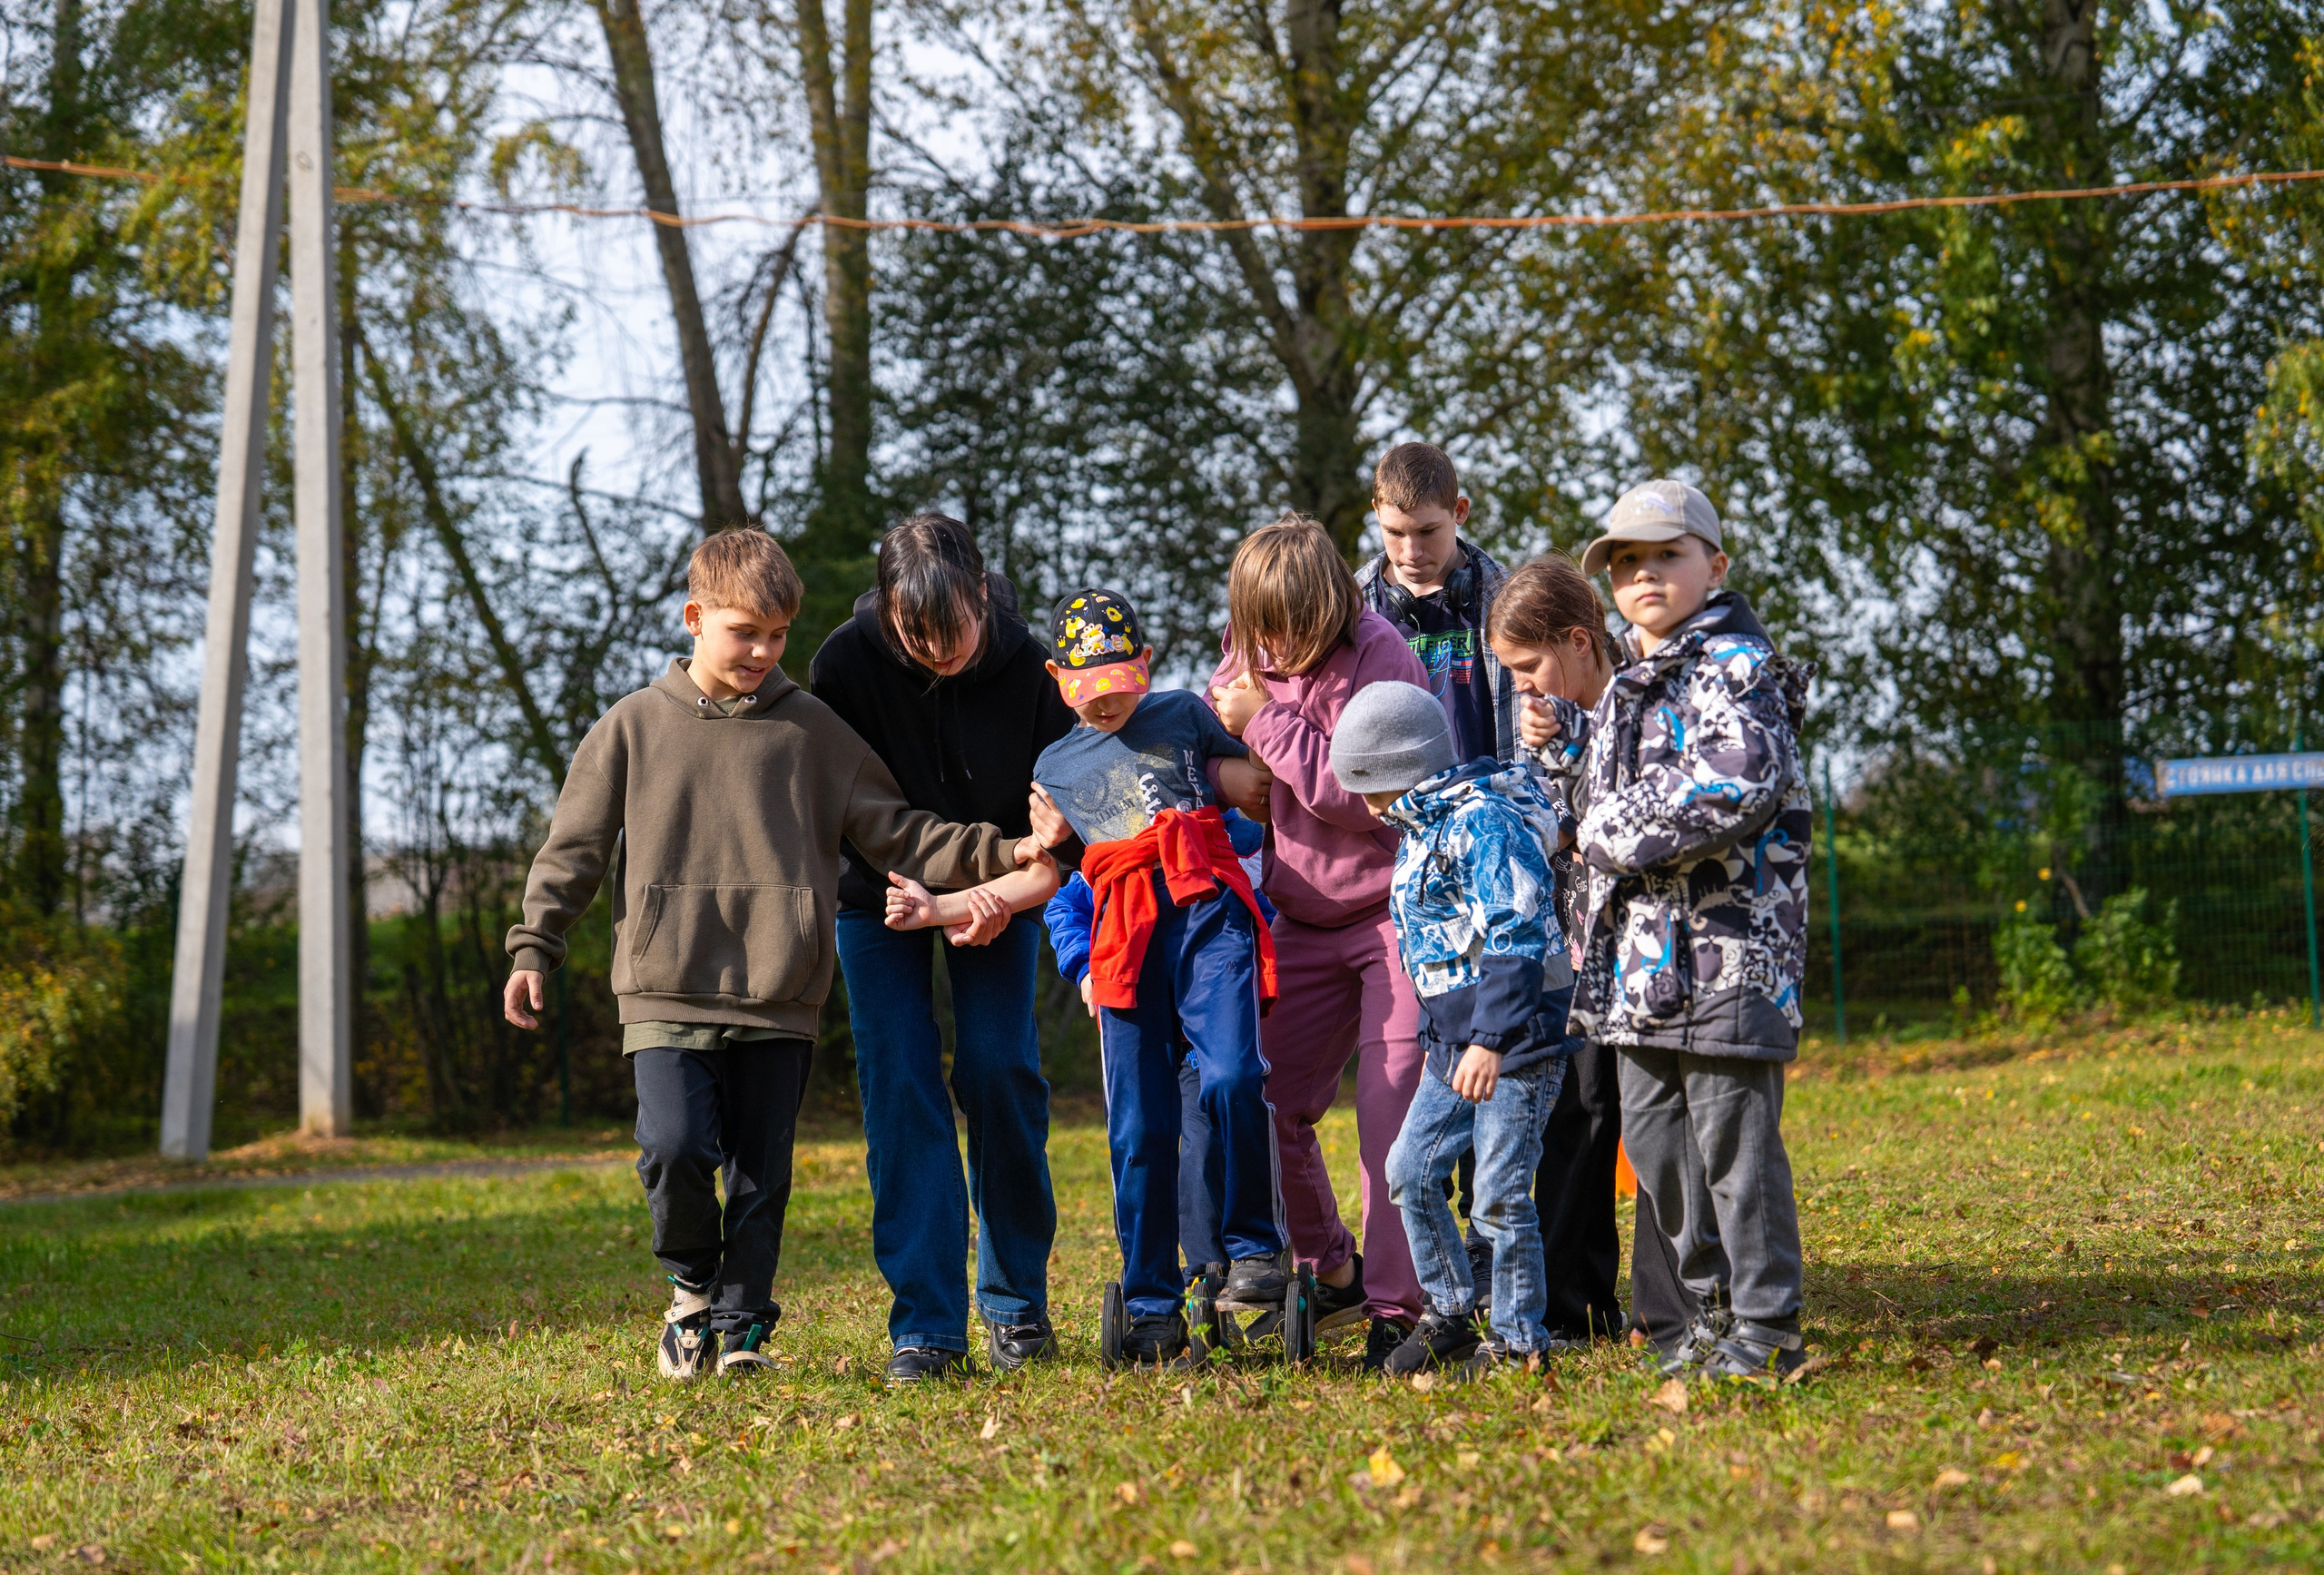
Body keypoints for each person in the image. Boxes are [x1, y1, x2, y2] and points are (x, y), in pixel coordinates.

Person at [502, 529, 1042, 1382]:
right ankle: (705, 1287)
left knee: (778, 1168)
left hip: (781, 989)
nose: (762, 651)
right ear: (695, 618)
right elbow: (573, 847)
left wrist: (1005, 854)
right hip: (670, 983)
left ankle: (748, 1324)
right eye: (744, 632)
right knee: (677, 1148)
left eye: (776, 635)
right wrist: (537, 942)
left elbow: (896, 828)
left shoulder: (815, 728)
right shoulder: (636, 726)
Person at [1533, 479, 1815, 1380]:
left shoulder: (1740, 668)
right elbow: (1593, 798)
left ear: (1715, 565)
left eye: (1667, 554)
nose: (1645, 573)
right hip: (1639, 970)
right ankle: (1699, 1320)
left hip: (1731, 957)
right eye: (1626, 561)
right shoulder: (1625, 686)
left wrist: (1603, 830)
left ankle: (1767, 1328)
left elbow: (1734, 782)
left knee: (1733, 1149)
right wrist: (1560, 747)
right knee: (1656, 1148)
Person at [963, 586, 1282, 1365]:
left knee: (1235, 1075)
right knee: (1140, 1127)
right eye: (1088, 687)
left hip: (1208, 916)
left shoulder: (1179, 713)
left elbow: (1247, 781)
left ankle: (1251, 1248)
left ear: (1144, 666)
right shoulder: (1054, 764)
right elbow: (1058, 868)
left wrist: (1250, 749)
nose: (1106, 702)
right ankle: (1150, 1297)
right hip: (1125, 937)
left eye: (1119, 682)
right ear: (1059, 677)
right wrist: (1025, 856)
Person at [807, 514, 1078, 1383]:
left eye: (954, 628)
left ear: (981, 592)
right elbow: (846, 813)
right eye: (917, 634)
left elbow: (1057, 825)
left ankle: (1015, 1305)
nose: (939, 648)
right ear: (889, 609)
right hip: (878, 893)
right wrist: (934, 889)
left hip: (998, 891)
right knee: (901, 1087)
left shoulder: (1031, 666)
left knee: (1000, 1070)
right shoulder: (841, 667)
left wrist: (987, 897)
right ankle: (926, 1323)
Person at [1205, 514, 1433, 1368]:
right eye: (1262, 632)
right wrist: (1228, 768)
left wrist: (1264, 725)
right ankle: (1331, 1264)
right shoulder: (1248, 644)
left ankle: (1396, 1306)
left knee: (1389, 1108)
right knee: (1259, 1095)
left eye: (1294, 630)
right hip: (1297, 915)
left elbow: (1359, 788)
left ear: (1331, 605)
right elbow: (1206, 739)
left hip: (1391, 917)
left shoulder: (1383, 657)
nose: (1277, 649)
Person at [1331, 682, 1579, 1379]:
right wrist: (1458, 1039)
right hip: (1454, 1042)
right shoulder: (1420, 827)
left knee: (1500, 1193)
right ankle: (1449, 1309)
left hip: (1513, 1041)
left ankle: (1519, 1338)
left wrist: (1491, 1039)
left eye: (1367, 781)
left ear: (1401, 767)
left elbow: (1519, 930)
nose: (1362, 801)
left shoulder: (1481, 821)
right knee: (1409, 1171)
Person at [1486, 554, 1685, 1347]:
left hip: (1652, 948)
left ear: (1578, 640)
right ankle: (1573, 1303)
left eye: (1530, 667)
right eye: (1511, 675)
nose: (1524, 689)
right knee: (1576, 1111)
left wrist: (1574, 765)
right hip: (1572, 952)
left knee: (1657, 1122)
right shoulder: (1540, 715)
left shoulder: (1647, 693)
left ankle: (1671, 1306)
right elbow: (1540, 814)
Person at [1041, 812, 1275, 1282]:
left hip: (1206, 1037)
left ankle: (1210, 1268)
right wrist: (1085, 967)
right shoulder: (1125, 838)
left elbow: (1270, 916)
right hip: (1139, 1027)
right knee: (1142, 1140)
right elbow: (1064, 907)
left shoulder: (1248, 842)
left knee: (1205, 1141)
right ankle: (1158, 1280)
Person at [1354, 442, 1516, 765]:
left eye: (1427, 531)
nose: (1411, 552)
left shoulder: (1507, 597)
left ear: (1460, 511)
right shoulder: (1350, 608)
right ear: (1376, 512)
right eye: (1394, 533)